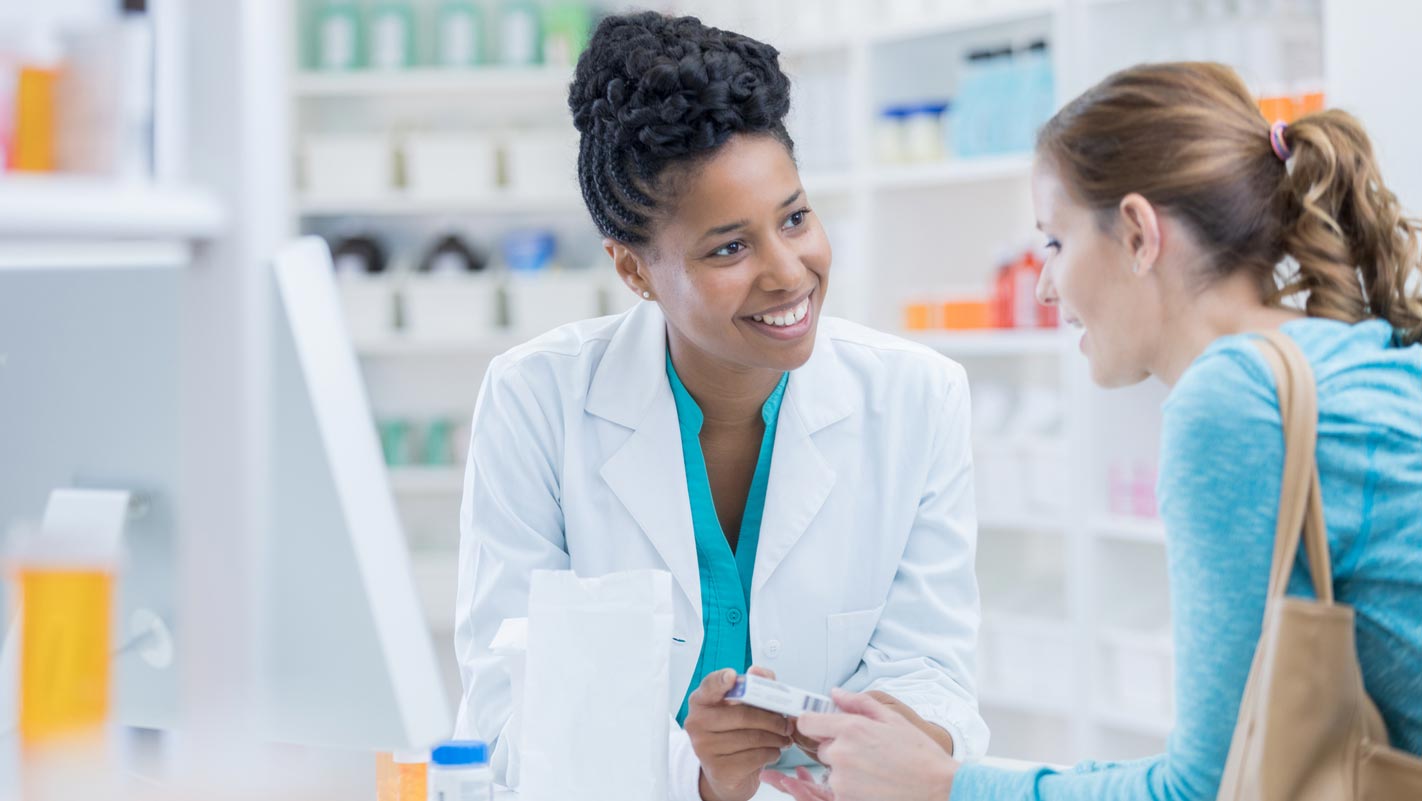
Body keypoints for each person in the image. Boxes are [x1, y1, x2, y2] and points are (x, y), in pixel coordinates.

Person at [768, 61, 1422, 801]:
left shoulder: (1234, 398)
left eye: (1053, 241)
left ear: (1139, 233)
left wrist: (944, 786)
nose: (1045, 285)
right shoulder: (1345, 350)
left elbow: (1204, 789)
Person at [451, 12, 989, 801]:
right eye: (729, 248)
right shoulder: (537, 401)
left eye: (796, 218)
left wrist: (866, 736)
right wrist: (700, 775)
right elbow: (509, 713)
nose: (788, 273)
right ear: (634, 270)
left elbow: (934, 667)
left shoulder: (917, 397)